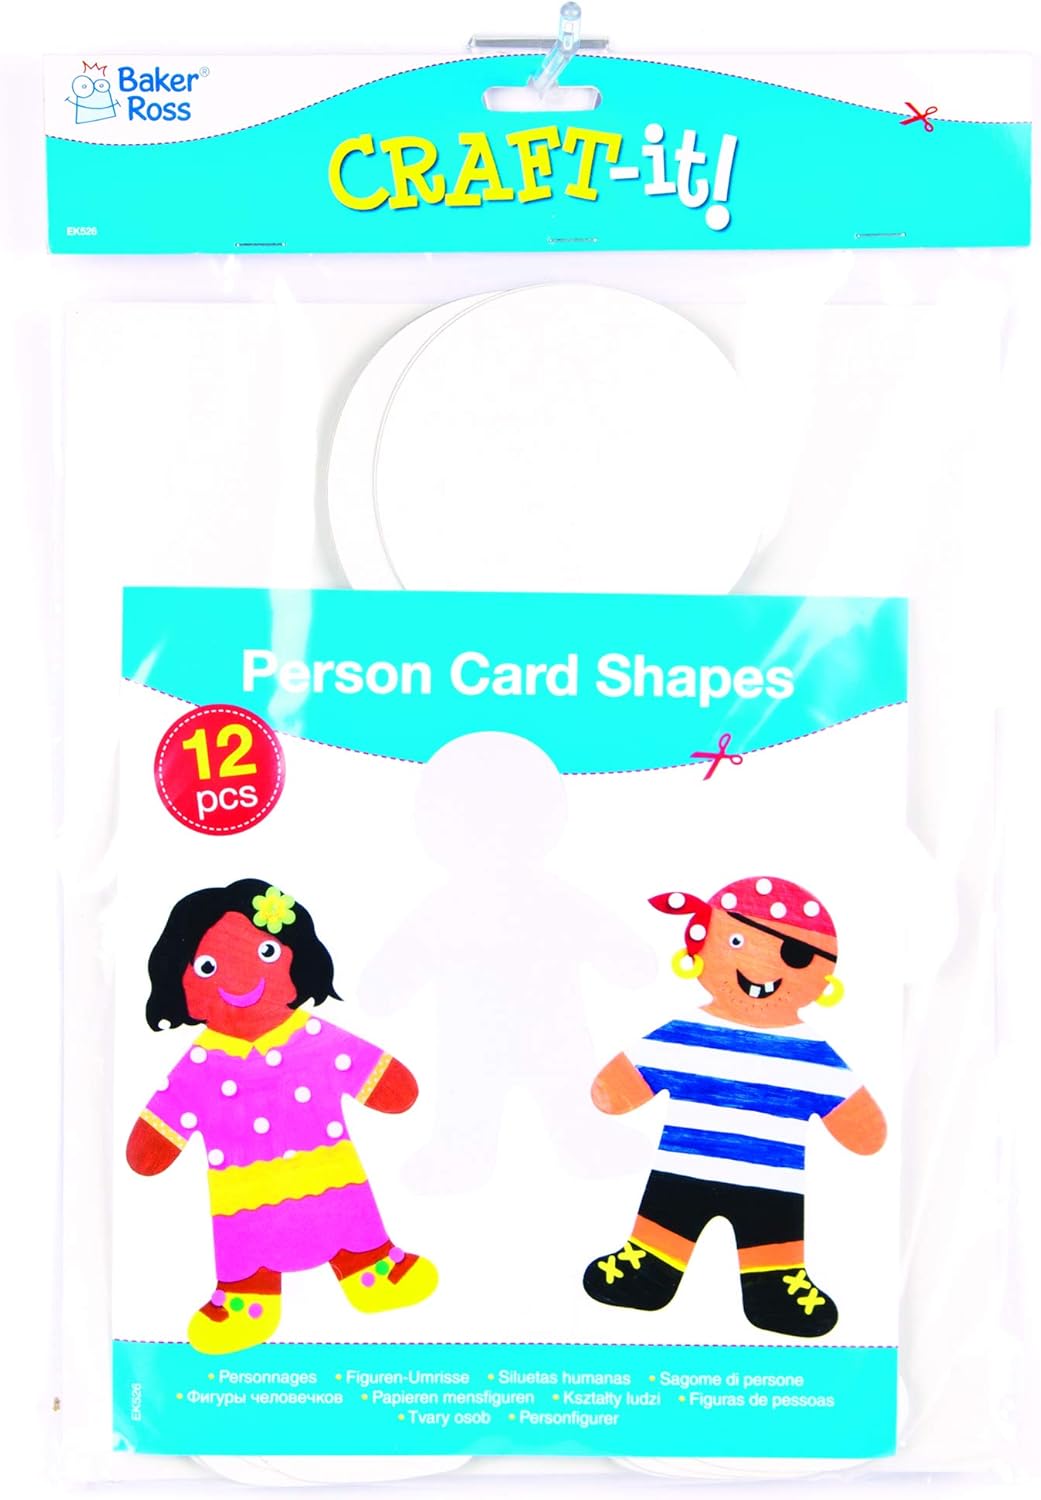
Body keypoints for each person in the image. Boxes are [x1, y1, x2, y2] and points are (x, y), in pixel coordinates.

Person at [126, 878, 436, 1355]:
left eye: (266, 953)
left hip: (330, 1175)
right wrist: (153, 1142)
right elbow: (158, 1133)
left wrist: (386, 1083)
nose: (240, 979)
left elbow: (389, 1086)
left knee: (349, 1219)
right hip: (244, 1193)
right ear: (183, 988)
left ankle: (371, 1266)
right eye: (208, 967)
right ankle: (245, 1297)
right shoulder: (201, 1065)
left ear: (296, 959)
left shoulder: (314, 1039)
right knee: (246, 1243)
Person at [583, 876, 885, 1337]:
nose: (761, 968)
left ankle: (775, 1285)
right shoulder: (687, 1034)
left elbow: (863, 1128)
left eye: (795, 955)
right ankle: (650, 1264)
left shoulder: (810, 1054)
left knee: (772, 1243)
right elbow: (615, 1089)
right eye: (737, 942)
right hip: (685, 1169)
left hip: (771, 1181)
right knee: (664, 1228)